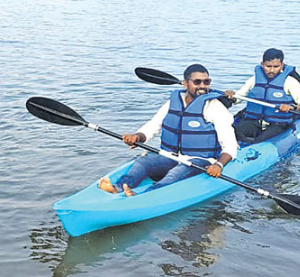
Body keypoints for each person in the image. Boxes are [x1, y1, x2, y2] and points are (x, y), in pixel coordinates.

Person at [99, 64, 238, 196]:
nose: (202, 86)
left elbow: (230, 145)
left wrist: (219, 165)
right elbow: (153, 125)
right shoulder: (173, 102)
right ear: (185, 84)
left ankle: (145, 196)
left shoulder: (215, 107)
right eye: (197, 82)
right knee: (143, 161)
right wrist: (137, 137)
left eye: (206, 82)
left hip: (200, 160)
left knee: (176, 173)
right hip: (170, 156)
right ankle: (118, 187)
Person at [225, 48, 300, 144]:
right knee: (230, 130)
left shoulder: (290, 82)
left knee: (261, 141)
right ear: (262, 64)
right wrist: (231, 96)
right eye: (268, 66)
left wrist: (292, 107)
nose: (272, 70)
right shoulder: (254, 80)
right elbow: (239, 97)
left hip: (277, 124)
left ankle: (254, 144)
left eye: (276, 66)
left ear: (282, 65)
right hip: (254, 122)